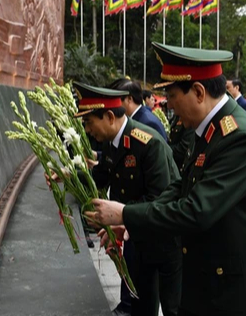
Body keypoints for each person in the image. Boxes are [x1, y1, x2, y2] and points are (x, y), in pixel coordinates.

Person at [85, 43, 246, 316]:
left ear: (198, 92)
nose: (167, 105)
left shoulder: (240, 137)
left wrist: (125, 212)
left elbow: (197, 210)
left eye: (171, 96)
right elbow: (181, 187)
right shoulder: (208, 130)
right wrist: (131, 221)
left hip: (240, 287)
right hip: (213, 273)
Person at [73, 81, 182, 316]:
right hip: (138, 236)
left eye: (89, 123)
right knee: (140, 303)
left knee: (173, 307)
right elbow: (101, 176)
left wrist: (121, 216)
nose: (88, 131)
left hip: (165, 240)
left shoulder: (147, 143)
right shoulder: (113, 143)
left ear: (110, 116)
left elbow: (160, 198)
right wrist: (69, 175)